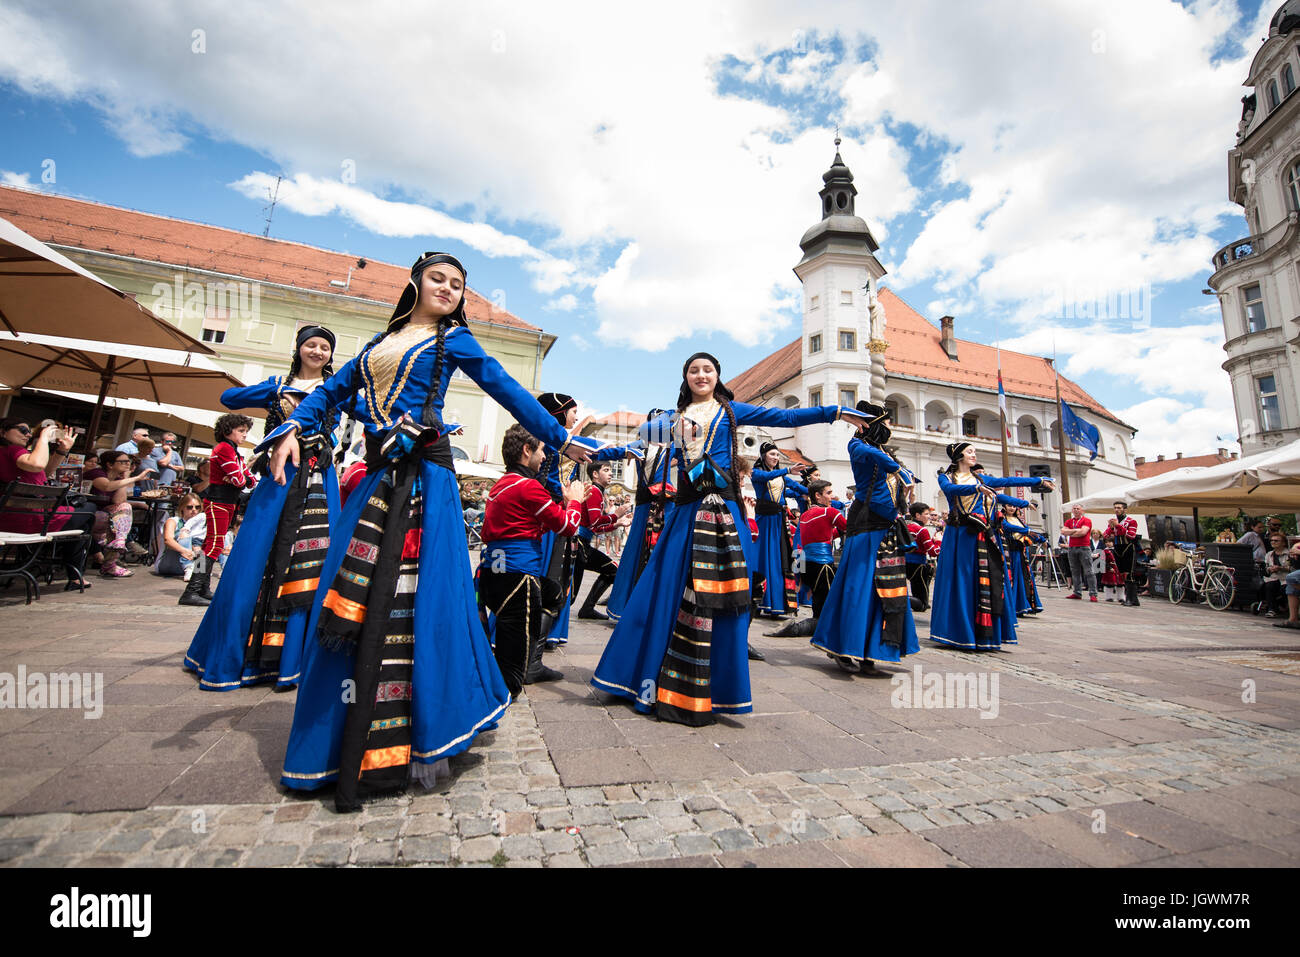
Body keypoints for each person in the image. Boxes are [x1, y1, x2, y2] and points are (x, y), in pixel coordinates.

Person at [259, 251, 591, 810]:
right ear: (414, 282)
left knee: (419, 595)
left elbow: (506, 388)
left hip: (424, 481)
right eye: (438, 278)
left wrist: (558, 437)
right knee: (352, 593)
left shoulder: (453, 340)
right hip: (375, 481)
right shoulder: (374, 348)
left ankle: (421, 726)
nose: (448, 289)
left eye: (457, 284)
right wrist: (292, 424)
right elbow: (328, 394)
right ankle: (336, 738)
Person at [591, 351, 869, 724]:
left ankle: (717, 686)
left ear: (717, 376)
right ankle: (641, 676)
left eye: (708, 369)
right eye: (694, 370)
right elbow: (638, 442)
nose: (701, 375)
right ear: (685, 378)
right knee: (663, 588)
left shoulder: (733, 411)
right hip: (685, 512)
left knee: (727, 593)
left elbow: (786, 417)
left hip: (724, 512)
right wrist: (596, 447)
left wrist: (836, 412)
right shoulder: (671, 419)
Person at [183, 326, 340, 697]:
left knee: (312, 560)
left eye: (324, 347)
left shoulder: (337, 389)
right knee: (255, 555)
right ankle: (237, 654)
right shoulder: (278, 386)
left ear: (331, 355)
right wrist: (270, 387)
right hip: (279, 476)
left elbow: (376, 415)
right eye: (311, 345)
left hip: (319, 479)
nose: (317, 351)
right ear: (299, 349)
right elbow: (228, 398)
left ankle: (296, 659)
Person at [477, 424, 585, 696]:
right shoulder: (529, 487)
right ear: (526, 451)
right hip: (518, 577)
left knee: (553, 594)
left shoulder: (502, 484)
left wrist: (559, 507)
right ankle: (496, 699)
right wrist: (574, 502)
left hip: (495, 573)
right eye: (540, 450)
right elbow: (568, 527)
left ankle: (530, 663)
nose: (543, 457)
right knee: (513, 669)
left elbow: (524, 524)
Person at [811, 403, 918, 674]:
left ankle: (871, 651)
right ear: (874, 425)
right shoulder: (857, 446)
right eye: (887, 424)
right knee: (858, 586)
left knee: (887, 590)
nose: (891, 429)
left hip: (887, 528)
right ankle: (845, 645)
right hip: (866, 524)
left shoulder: (883, 452)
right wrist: (901, 472)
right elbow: (882, 461)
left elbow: (896, 474)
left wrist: (904, 481)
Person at [930, 442, 1053, 650]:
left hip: (981, 535)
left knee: (987, 578)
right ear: (959, 455)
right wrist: (976, 488)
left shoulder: (982, 479)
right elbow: (950, 489)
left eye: (974, 452)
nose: (974, 455)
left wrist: (1038, 481)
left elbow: (1006, 482)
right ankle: (959, 630)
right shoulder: (947, 477)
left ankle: (984, 631)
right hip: (960, 535)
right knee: (963, 579)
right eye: (970, 451)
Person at [184, 414, 256, 604]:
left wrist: (241, 478)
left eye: (246, 431)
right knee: (213, 545)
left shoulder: (234, 451)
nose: (245, 435)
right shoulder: (224, 448)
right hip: (218, 502)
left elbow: (249, 480)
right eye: (241, 431)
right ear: (227, 431)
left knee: (211, 545)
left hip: (227, 502)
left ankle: (202, 588)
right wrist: (241, 478)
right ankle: (192, 590)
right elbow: (242, 480)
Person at [607, 423, 674, 621]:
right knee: (642, 553)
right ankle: (635, 608)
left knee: (644, 554)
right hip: (654, 504)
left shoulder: (656, 446)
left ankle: (633, 607)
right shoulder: (646, 446)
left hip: (656, 504)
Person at [750, 442, 808, 618]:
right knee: (765, 558)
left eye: (777, 455)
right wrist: (788, 471)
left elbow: (797, 488)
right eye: (772, 454)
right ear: (763, 456)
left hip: (778, 521)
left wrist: (814, 490)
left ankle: (779, 601)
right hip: (765, 521)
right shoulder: (757, 473)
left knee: (780, 558)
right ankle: (763, 600)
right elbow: (767, 477)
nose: (775, 458)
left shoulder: (782, 476)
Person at [571, 460, 633, 620]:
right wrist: (616, 515)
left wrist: (617, 523)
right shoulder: (594, 490)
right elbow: (595, 521)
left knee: (612, 570)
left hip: (583, 544)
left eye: (611, 470)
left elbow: (596, 528)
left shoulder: (598, 492)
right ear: (595, 474)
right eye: (606, 470)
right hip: (578, 545)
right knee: (570, 594)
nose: (611, 473)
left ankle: (587, 609)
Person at [83, 448, 153, 577]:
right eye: (124, 462)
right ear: (110, 464)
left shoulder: (119, 478)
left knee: (123, 509)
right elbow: (106, 486)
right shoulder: (96, 473)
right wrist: (135, 478)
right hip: (87, 514)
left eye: (129, 462)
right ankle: (110, 562)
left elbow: (118, 501)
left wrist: (125, 478)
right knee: (113, 525)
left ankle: (120, 540)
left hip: (104, 515)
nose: (128, 464)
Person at [797, 479, 846, 622]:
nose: (833, 497)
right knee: (827, 601)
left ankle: (815, 626)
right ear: (817, 495)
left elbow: (820, 536)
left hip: (808, 564)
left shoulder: (805, 515)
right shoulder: (829, 512)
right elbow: (848, 527)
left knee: (817, 601)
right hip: (823, 564)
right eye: (829, 493)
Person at [1001, 506, 1046, 615]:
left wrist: (1040, 538)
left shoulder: (1019, 520)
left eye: (1013, 506)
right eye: (1009, 506)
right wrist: (1028, 531)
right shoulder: (1002, 519)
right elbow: (1011, 528)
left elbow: (1028, 531)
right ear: (1004, 507)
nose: (1011, 508)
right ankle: (1014, 605)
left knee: (1024, 577)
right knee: (1013, 577)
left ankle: (1024, 604)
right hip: (1010, 552)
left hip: (1020, 553)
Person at [156, 493, 204, 578]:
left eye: (197, 507)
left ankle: (200, 570)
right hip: (168, 564)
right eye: (189, 507)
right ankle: (190, 567)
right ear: (182, 508)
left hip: (192, 562)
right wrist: (184, 551)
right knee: (184, 535)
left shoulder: (201, 526)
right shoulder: (173, 521)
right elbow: (168, 540)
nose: (194, 510)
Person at [1102, 500, 1140, 606]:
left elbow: (1131, 535)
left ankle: (1129, 598)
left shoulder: (1131, 521)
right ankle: (1135, 599)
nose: (1117, 510)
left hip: (1128, 548)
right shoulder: (1114, 522)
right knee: (1122, 574)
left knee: (1129, 574)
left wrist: (1118, 526)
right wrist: (1111, 527)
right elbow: (1105, 535)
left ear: (1125, 509)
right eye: (1115, 508)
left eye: (1119, 508)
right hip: (1117, 549)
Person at [905, 502, 940, 610]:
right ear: (917, 515)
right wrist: (939, 541)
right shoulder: (922, 530)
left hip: (906, 563)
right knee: (923, 604)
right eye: (926, 514)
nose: (929, 516)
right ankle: (902, 600)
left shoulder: (907, 526)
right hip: (918, 566)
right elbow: (933, 552)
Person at [1061, 503, 1097, 601]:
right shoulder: (1069, 521)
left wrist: (1071, 532)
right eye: (1074, 509)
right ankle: (1077, 592)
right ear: (1072, 511)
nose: (1076, 510)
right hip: (1072, 547)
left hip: (1084, 547)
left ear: (1082, 511)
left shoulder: (1087, 520)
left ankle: (1093, 593)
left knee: (1089, 571)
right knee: (1075, 570)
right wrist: (1076, 531)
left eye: (1078, 508)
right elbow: (1063, 531)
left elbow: (1083, 532)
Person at [1260, 533, 1293, 618]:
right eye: (1272, 540)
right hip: (1273, 578)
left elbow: (1293, 568)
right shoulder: (1269, 554)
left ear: (1283, 543)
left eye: (1276, 540)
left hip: (1285, 578)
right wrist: (1270, 569)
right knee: (1269, 585)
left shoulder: (1289, 554)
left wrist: (1281, 568)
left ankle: (1285, 607)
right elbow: (1265, 569)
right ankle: (1272, 609)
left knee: (1284, 588)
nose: (1273, 542)